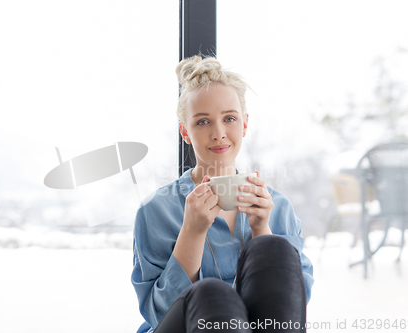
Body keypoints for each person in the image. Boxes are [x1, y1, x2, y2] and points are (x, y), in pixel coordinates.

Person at [131, 54, 314, 333]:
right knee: (210, 295)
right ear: (185, 132)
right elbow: (158, 313)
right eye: (203, 122)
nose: (218, 133)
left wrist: (261, 227)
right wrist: (192, 231)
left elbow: (292, 309)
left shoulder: (276, 206)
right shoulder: (157, 210)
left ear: (244, 124)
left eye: (229, 118)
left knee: (273, 246)